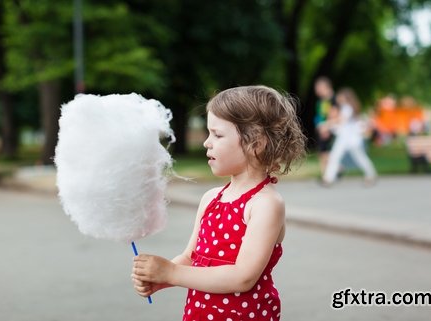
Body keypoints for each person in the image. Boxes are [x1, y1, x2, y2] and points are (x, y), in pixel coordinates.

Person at [132, 85, 306, 321]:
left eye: (218, 134)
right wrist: (160, 277)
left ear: (256, 142)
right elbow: (191, 258)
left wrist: (172, 273)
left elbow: (243, 277)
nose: (207, 142)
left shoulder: (265, 203)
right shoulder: (211, 199)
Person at [322, 88, 377, 185]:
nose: (338, 97)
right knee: (335, 156)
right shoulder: (345, 107)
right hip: (346, 138)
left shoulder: (347, 108)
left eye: (340, 95)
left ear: (345, 97)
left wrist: (327, 125)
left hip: (349, 138)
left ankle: (371, 175)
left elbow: (341, 120)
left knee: (359, 157)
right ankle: (328, 178)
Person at [314, 76, 339, 177]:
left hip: (330, 129)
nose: (316, 91)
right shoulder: (321, 101)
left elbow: (335, 116)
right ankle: (327, 174)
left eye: (318, 88)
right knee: (322, 153)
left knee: (326, 153)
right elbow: (320, 115)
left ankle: (328, 174)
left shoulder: (334, 100)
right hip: (322, 128)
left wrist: (327, 128)